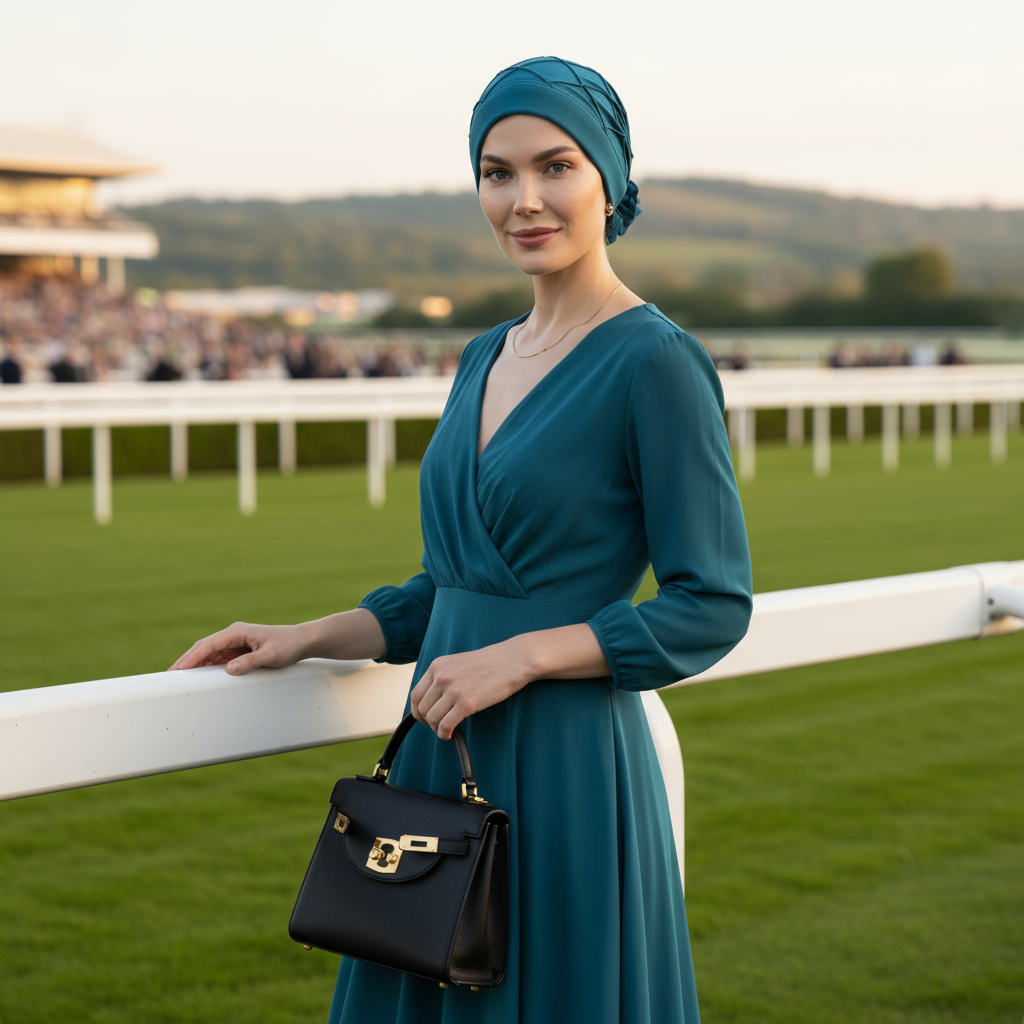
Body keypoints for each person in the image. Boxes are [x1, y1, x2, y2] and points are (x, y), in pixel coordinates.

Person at [171, 56, 752, 1024]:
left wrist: (518, 658)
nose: (524, 199)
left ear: (607, 177)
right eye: (496, 172)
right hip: (443, 748)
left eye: (554, 166)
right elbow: (455, 582)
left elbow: (711, 605)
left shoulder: (657, 360)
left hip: (567, 763)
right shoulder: (482, 352)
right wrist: (305, 635)